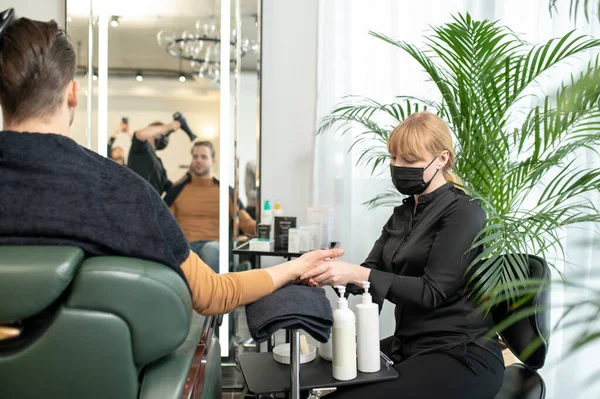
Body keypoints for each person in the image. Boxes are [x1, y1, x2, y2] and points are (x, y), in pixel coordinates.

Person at [0, 12, 343, 319]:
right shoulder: (124, 192)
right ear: (73, 94)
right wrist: (296, 266)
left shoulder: (194, 191)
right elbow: (213, 294)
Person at [301, 112, 504, 399]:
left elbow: (432, 291)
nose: (398, 167)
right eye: (393, 158)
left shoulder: (464, 211)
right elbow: (367, 274)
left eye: (409, 161)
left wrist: (356, 274)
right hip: (409, 344)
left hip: (460, 353)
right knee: (320, 383)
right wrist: (323, 271)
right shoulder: (403, 213)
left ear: (442, 159)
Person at [164, 141, 256, 273]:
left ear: (213, 160)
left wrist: (266, 228)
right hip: (185, 245)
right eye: (195, 157)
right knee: (180, 252)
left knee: (211, 250)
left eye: (203, 157)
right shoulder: (177, 192)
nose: (198, 160)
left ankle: (213, 293)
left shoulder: (226, 191)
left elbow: (245, 222)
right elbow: (165, 222)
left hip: (213, 244)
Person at [127, 120, 180, 195]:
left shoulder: (158, 162)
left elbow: (169, 187)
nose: (164, 136)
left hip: (153, 204)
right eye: (162, 133)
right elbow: (140, 134)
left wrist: (188, 175)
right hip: (137, 202)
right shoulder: (141, 148)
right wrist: (169, 126)